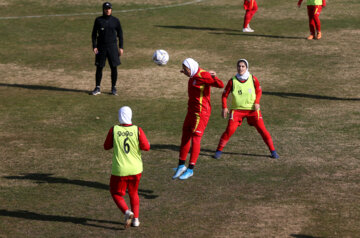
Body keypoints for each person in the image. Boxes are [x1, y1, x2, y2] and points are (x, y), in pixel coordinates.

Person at [213, 59, 279, 159]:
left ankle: (273, 151)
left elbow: (259, 91)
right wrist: (224, 107)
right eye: (239, 66)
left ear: (247, 67)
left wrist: (257, 102)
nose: (240, 68)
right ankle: (218, 151)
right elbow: (224, 95)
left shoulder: (253, 79)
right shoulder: (232, 81)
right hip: (236, 111)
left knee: (263, 130)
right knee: (229, 130)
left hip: (252, 111)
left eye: (243, 66)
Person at [172, 58, 224, 180]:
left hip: (201, 113)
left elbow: (220, 85)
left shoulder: (203, 75)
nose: (185, 71)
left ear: (192, 67)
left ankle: (190, 169)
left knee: (195, 138)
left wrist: (215, 77)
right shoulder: (192, 75)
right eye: (184, 69)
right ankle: (181, 165)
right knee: (185, 135)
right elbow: (191, 75)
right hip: (191, 111)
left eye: (186, 69)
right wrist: (185, 72)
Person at [104, 106, 150, 228]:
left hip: (120, 170)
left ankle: (126, 211)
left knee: (115, 193)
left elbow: (106, 146)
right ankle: (136, 220)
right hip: (136, 169)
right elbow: (146, 147)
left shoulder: (114, 130)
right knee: (134, 193)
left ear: (119, 116)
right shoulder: (137, 129)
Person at [91, 2, 124, 95]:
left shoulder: (115, 21)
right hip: (101, 47)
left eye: (109, 8)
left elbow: (120, 34)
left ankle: (113, 88)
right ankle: (97, 88)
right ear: (103, 9)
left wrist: (121, 47)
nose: (107, 10)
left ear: (111, 9)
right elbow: (94, 35)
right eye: (106, 8)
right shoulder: (98, 20)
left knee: (114, 67)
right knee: (99, 67)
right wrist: (94, 46)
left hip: (113, 47)